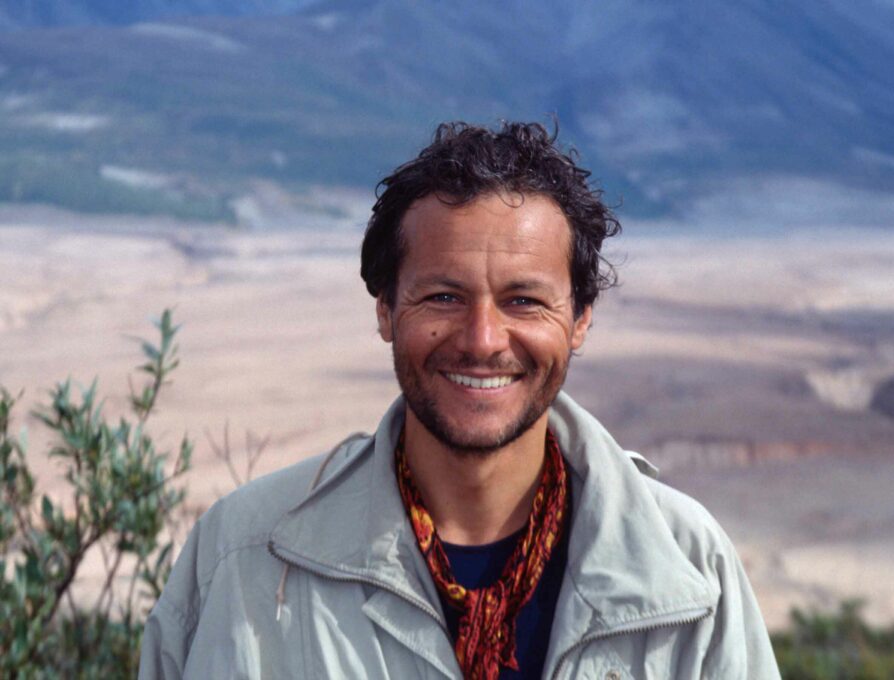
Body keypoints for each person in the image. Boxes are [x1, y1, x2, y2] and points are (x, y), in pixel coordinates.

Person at [139, 121, 780, 679]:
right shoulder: (244, 559)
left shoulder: (689, 571)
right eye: (443, 297)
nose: (482, 340)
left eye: (523, 301)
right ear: (386, 309)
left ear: (580, 319)